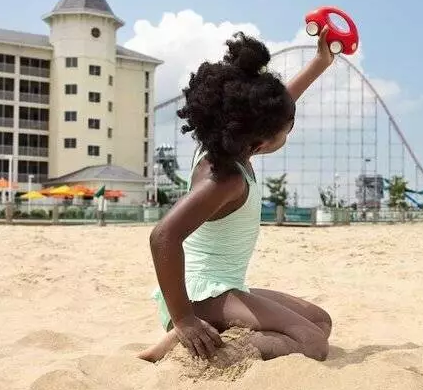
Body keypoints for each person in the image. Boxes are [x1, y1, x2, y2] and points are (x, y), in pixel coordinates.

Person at [138, 27, 335, 363]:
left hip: (222, 287)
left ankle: (214, 329)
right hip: (196, 297)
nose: (288, 131)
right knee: (313, 345)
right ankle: (184, 342)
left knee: (320, 321)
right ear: (260, 141)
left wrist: (320, 61)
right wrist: (184, 319)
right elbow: (163, 236)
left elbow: (274, 105)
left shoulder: (228, 141)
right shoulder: (225, 180)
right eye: (287, 130)